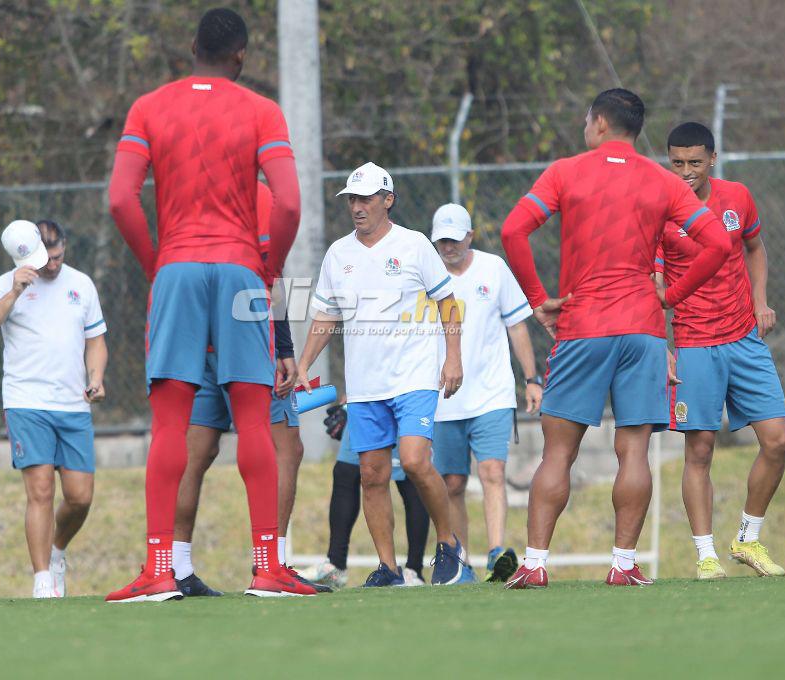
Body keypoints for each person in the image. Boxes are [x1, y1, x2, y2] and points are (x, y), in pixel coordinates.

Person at [106, 7, 312, 601]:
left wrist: (157, 261)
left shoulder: (150, 106)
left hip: (177, 267)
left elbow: (122, 198)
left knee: (171, 421)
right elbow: (290, 205)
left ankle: (159, 570)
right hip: (241, 268)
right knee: (255, 419)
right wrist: (264, 268)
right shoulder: (260, 111)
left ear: (191, 47)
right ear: (241, 56)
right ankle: (268, 567)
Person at [500, 88, 732, 589]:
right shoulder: (663, 181)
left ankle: (536, 564)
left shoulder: (566, 171)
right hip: (643, 330)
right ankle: (623, 565)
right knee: (635, 451)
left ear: (599, 122)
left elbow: (513, 230)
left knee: (558, 452)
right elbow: (717, 242)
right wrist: (669, 297)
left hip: (582, 327)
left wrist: (540, 299)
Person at [297, 161, 468, 587]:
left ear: (387, 200)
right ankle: (388, 568)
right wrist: (303, 364)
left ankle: (448, 545)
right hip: (365, 386)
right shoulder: (339, 253)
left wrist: (453, 359)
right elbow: (326, 315)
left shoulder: (414, 246)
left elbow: (448, 304)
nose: (357, 207)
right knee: (370, 475)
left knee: (413, 461)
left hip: (414, 378)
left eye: (366, 199)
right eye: (352, 199)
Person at [171, 184, 326, 597]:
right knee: (284, 448)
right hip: (246, 337)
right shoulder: (253, 194)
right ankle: (269, 566)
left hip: (194, 338)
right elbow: (265, 275)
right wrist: (285, 348)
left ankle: (175, 566)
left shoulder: (191, 194)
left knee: (196, 453)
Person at [657, 122, 785, 579]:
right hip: (694, 342)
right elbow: (653, 285)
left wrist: (760, 301)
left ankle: (747, 539)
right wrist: (663, 345)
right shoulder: (660, 210)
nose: (686, 171)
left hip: (744, 338)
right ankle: (705, 554)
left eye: (695, 162)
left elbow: (755, 247)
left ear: (712, 159)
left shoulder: (737, 196)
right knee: (700, 450)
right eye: (677, 163)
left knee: (777, 440)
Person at [0, 219, 108, 598]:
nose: (52, 265)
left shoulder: (81, 285)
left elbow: (96, 340)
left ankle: (57, 549)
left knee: (80, 496)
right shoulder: (7, 283)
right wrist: (14, 293)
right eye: (45, 259)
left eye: (59, 256)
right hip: (25, 403)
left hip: (73, 406)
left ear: (64, 245)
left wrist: (96, 376)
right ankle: (42, 578)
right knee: (41, 490)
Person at [429, 203, 542, 583]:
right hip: (442, 396)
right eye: (442, 240)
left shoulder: (493, 268)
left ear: (470, 236)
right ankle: (460, 560)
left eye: (455, 239)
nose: (449, 247)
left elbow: (517, 326)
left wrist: (531, 378)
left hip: (492, 393)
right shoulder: (424, 276)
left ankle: (497, 552)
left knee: (492, 470)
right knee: (452, 483)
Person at [299, 404, 431, 588]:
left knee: (409, 476)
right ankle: (335, 565)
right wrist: (347, 402)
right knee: (345, 471)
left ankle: (414, 570)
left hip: (401, 394)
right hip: (365, 398)